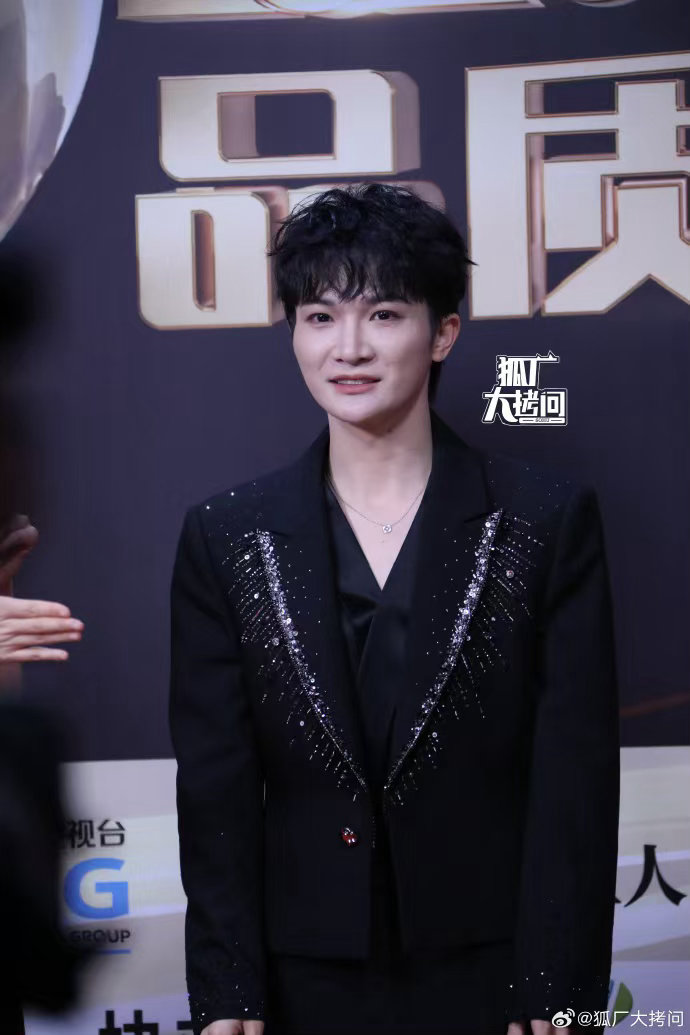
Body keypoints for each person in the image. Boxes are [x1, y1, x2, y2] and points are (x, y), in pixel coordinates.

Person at [169, 183, 620, 1035]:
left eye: (382, 314)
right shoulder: (226, 534)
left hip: (493, 971)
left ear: (442, 331)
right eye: (319, 316)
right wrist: (227, 989)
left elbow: (575, 779)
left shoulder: (544, 520)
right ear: (294, 333)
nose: (348, 347)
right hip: (299, 977)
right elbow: (216, 788)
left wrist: (556, 982)